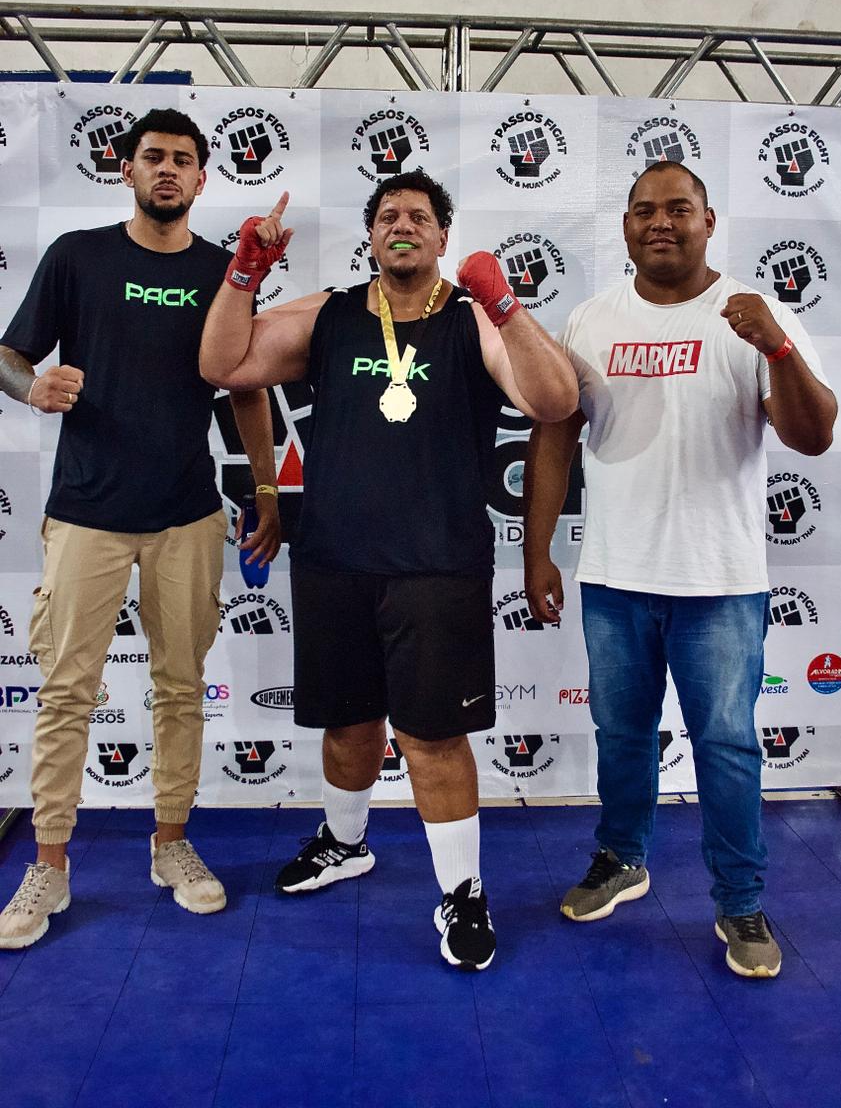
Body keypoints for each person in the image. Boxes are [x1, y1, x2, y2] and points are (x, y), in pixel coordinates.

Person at [199, 167, 577, 970]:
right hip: (334, 560)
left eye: (418, 216)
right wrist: (244, 273)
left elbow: (553, 402)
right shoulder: (330, 314)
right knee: (347, 724)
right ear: (371, 235)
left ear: (442, 235)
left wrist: (505, 303)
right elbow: (224, 366)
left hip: (437, 566)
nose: (401, 225)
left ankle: (463, 891)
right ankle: (345, 843)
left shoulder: (472, 319)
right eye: (387, 216)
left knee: (433, 737)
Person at [523, 160, 836, 979]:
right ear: (626, 226)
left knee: (726, 747)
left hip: (720, 581)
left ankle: (740, 901)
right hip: (615, 575)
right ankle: (622, 857)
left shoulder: (754, 314)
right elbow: (553, 436)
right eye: (644, 210)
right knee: (622, 735)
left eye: (678, 208)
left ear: (708, 221)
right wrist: (536, 549)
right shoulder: (591, 318)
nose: (660, 222)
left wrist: (776, 347)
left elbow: (813, 436)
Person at [0, 107, 281, 950]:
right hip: (86, 511)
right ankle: (49, 864)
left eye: (183, 159)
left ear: (202, 178)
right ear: (126, 169)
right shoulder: (77, 256)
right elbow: (8, 355)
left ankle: (171, 844)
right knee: (66, 693)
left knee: (181, 687)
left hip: (186, 513)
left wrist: (267, 487)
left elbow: (247, 386)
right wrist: (29, 388)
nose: (167, 169)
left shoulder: (224, 272)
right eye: (153, 156)